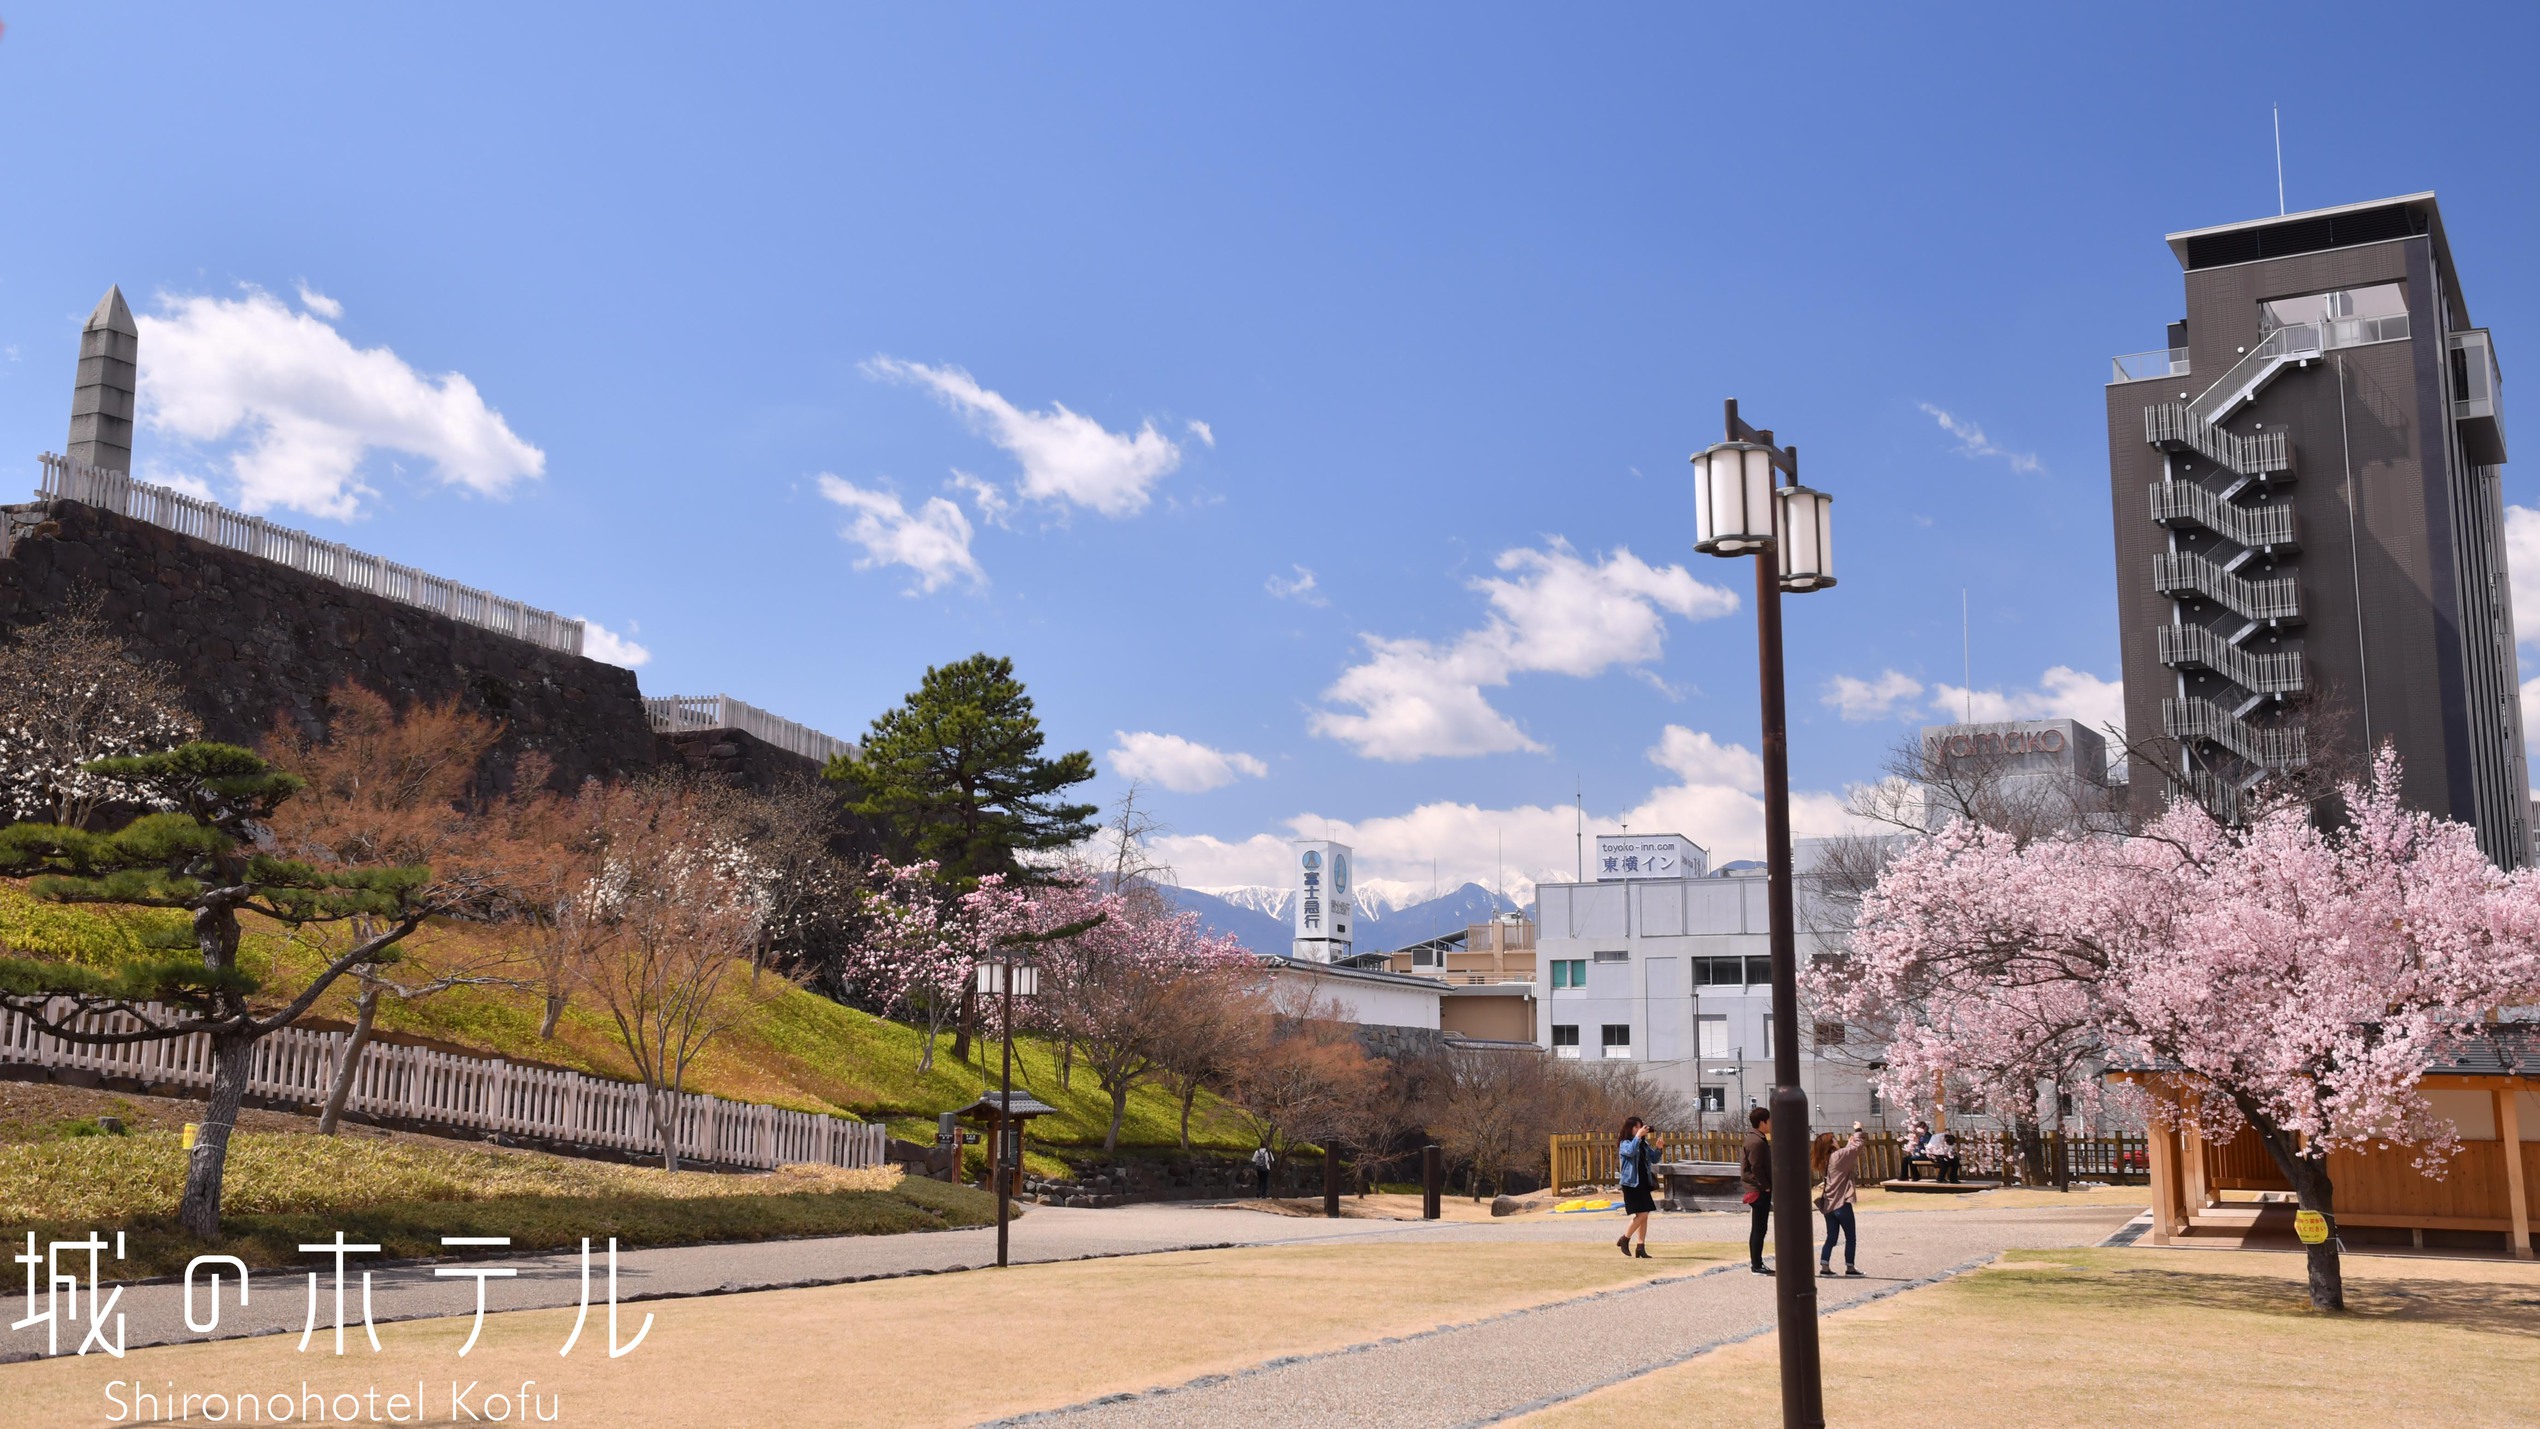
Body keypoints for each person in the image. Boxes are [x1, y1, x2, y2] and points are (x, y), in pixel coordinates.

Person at [1817, 1122, 1869, 1277]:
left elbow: (1847, 1152)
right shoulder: (1838, 1156)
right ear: (1830, 1143)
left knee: (1831, 1237)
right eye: (1833, 1138)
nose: (1836, 1140)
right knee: (1850, 1237)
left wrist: (1848, 1145)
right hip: (1841, 1204)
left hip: (1829, 1205)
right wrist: (1859, 1129)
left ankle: (1824, 1266)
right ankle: (1850, 1268)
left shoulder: (1827, 1159)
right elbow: (1856, 1148)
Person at [1614, 1117, 1661, 1259]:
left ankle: (1640, 1247)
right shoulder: (1625, 1143)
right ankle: (1625, 1239)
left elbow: (1653, 1159)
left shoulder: (1644, 1143)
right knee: (1642, 1215)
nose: (1639, 1130)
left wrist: (1659, 1148)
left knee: (1645, 1216)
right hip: (1631, 1183)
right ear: (1630, 1129)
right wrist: (1638, 1137)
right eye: (1636, 1127)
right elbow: (1630, 1152)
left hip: (1643, 1182)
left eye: (1640, 1127)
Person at [1739, 1105, 1773, 1275]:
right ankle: (1756, 1264)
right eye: (1769, 1120)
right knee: (1759, 1228)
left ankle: (1757, 1263)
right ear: (1762, 1122)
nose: (1771, 1123)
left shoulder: (1757, 1139)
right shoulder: (1756, 1142)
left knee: (1760, 1227)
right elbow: (1756, 1166)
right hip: (1758, 1189)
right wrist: (1766, 1186)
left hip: (1758, 1188)